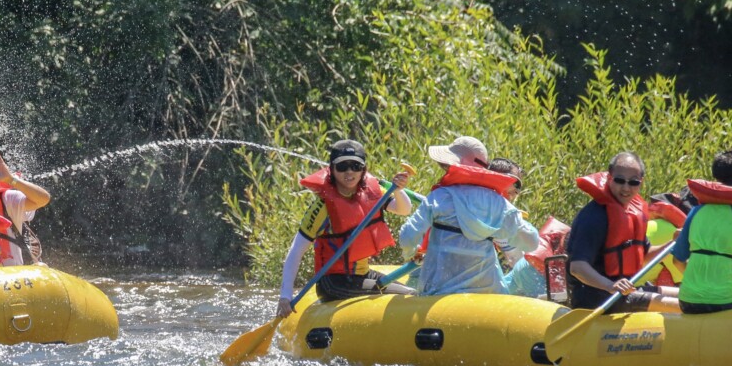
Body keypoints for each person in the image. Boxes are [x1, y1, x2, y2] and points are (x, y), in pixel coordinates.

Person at [276, 139, 414, 315]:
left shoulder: (371, 192)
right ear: (332, 169)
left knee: (411, 294)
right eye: (342, 167)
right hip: (333, 282)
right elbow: (296, 250)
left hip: (363, 275)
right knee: (403, 296)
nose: (349, 172)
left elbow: (404, 209)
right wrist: (285, 296)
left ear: (363, 170)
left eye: (355, 166)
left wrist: (398, 189)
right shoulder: (323, 207)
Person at [397, 138, 538, 296]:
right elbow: (531, 242)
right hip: (487, 292)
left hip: (438, 291)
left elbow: (407, 236)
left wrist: (411, 254)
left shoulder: (439, 196)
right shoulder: (500, 203)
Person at [565, 151, 673, 311]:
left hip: (625, 292)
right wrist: (610, 285)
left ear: (641, 182)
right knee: (679, 306)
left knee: (685, 296)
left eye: (633, 182)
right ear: (609, 178)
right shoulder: (594, 216)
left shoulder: (632, 213)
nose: (626, 188)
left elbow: (643, 255)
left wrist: (672, 244)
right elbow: (577, 267)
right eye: (620, 180)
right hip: (598, 298)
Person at [670, 150, 732, 313]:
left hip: (689, 300)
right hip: (728, 301)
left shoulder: (695, 213)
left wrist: (698, 285)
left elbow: (677, 261)